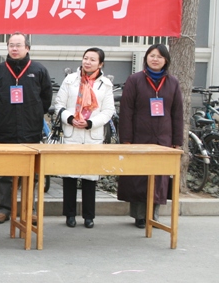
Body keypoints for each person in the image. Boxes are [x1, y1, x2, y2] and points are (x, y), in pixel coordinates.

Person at [0, 32, 52, 224]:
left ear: (27, 48)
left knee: (31, 172)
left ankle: (29, 209)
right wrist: (4, 112)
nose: (14, 49)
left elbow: (46, 98)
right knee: (6, 172)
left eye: (18, 45)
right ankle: (4, 208)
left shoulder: (38, 70)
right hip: (5, 128)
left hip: (30, 129)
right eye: (11, 45)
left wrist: (34, 114)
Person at [117, 44, 184, 228]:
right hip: (139, 135)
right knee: (139, 176)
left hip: (163, 137)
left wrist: (176, 141)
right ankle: (140, 215)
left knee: (159, 177)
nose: (155, 59)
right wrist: (126, 139)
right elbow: (126, 111)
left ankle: (153, 215)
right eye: (152, 55)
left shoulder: (172, 82)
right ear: (146, 58)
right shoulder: (135, 80)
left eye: (159, 57)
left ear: (166, 60)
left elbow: (177, 113)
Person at [52, 48, 115, 228]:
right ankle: (70, 214)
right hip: (72, 133)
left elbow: (108, 111)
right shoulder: (70, 80)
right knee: (70, 176)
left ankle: (89, 216)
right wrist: (70, 118)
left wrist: (90, 123)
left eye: (92, 60)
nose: (87, 62)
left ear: (100, 64)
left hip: (92, 134)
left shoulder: (105, 85)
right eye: (85, 58)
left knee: (89, 177)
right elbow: (59, 104)